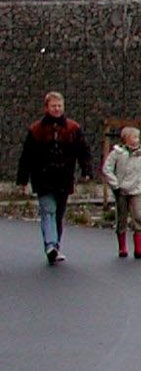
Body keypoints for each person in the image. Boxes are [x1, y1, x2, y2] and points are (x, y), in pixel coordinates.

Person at [16, 91, 94, 265]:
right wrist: (23, 179)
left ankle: (55, 246)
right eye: (53, 106)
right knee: (48, 210)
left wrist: (86, 170)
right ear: (46, 108)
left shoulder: (73, 128)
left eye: (59, 106)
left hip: (64, 178)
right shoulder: (36, 130)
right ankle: (50, 245)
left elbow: (83, 151)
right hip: (43, 177)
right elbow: (27, 156)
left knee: (58, 214)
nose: (57, 109)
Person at [102, 124, 141, 259]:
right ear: (125, 139)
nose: (137, 140)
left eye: (138, 137)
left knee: (139, 217)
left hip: (137, 189)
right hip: (121, 190)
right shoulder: (117, 153)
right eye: (134, 137)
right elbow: (107, 169)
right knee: (122, 217)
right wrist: (115, 185)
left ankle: (139, 248)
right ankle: (122, 247)